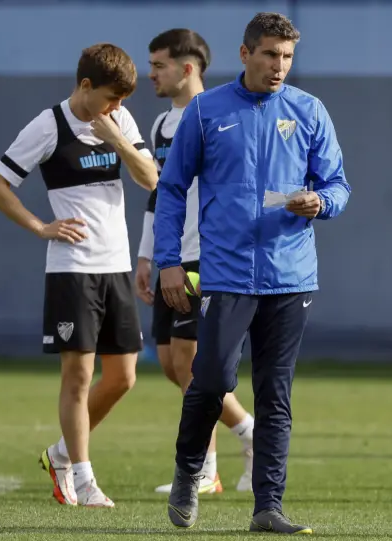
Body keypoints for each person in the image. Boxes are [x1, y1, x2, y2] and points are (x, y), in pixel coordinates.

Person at [154, 12, 351, 534]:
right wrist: (168, 261)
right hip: (225, 275)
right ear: (245, 54)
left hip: (292, 277)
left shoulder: (309, 111)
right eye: (269, 55)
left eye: (286, 57)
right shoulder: (205, 111)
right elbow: (171, 189)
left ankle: (268, 507)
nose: (279, 66)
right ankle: (187, 473)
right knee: (212, 379)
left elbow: (338, 184)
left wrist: (320, 202)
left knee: (275, 393)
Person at [0, 43, 158, 508]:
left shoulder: (120, 120)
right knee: (78, 376)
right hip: (73, 268)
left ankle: (60, 454)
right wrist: (41, 226)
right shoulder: (48, 125)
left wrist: (118, 136)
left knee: (122, 377)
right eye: (110, 97)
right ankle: (82, 476)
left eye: (123, 100)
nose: (117, 106)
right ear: (84, 86)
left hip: (116, 265)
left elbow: (151, 178)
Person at [136, 28, 255, 496]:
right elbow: (159, 194)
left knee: (190, 362)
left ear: (188, 68)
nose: (152, 75)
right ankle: (250, 434)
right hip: (170, 256)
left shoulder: (218, 116)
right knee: (171, 363)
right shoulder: (162, 126)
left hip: (207, 256)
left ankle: (205, 472)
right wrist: (147, 255)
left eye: (159, 66)